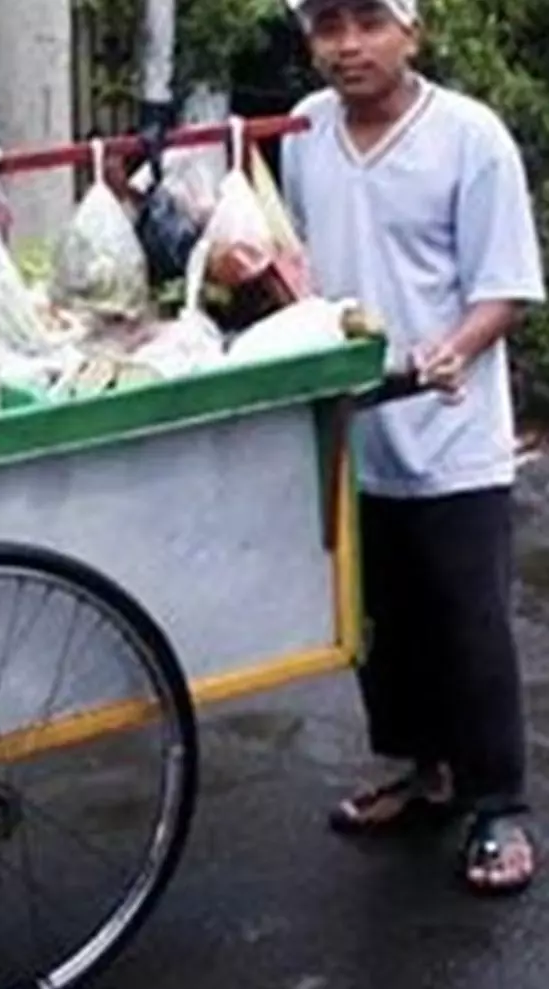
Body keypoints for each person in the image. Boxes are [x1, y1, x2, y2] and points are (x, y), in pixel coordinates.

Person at [280, 0, 546, 894]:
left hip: (448, 426)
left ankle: (497, 803)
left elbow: (505, 286)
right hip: (354, 424)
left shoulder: (471, 139)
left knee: (465, 621)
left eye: (367, 22)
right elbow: (298, 265)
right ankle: (422, 772)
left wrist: (452, 350)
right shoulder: (304, 134)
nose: (346, 45)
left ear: (411, 31)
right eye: (326, 27)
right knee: (377, 622)